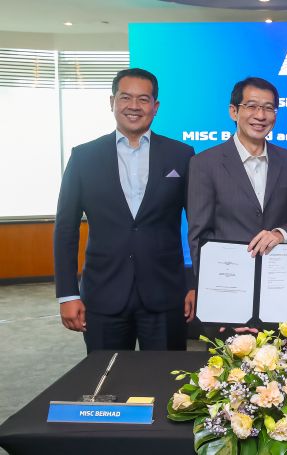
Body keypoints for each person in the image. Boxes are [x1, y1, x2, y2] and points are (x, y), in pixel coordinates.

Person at [54, 68, 195, 353]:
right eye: (125, 97)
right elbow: (66, 229)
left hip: (166, 294)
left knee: (166, 377)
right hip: (103, 294)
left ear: (155, 106)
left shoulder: (181, 155)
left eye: (143, 99)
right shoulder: (83, 157)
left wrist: (194, 284)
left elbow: (198, 224)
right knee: (107, 377)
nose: (134, 106)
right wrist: (67, 294)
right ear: (112, 102)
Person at [187, 77, 287, 330]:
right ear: (233, 111)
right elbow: (199, 238)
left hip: (280, 299)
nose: (260, 115)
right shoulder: (205, 163)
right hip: (229, 298)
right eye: (251, 106)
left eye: (269, 108)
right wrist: (216, 303)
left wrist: (281, 234)